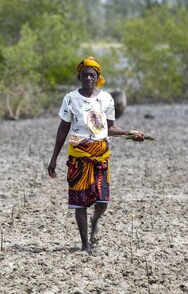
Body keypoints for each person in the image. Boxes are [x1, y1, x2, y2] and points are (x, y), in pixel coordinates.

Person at [48, 56, 144, 252]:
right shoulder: (70, 99)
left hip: (100, 156)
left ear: (98, 76)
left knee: (102, 201)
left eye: (92, 75)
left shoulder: (106, 99)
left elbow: (109, 128)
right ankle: (85, 244)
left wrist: (129, 133)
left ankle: (95, 222)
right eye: (84, 75)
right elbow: (62, 129)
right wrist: (53, 158)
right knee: (79, 203)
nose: (88, 78)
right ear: (79, 77)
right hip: (78, 157)